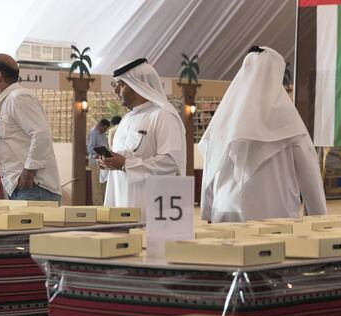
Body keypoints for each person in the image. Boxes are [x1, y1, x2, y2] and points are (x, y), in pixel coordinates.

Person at [198, 46, 326, 222]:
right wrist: (319, 216)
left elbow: (210, 166)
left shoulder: (226, 116)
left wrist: (207, 210)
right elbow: (309, 173)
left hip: (226, 211)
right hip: (275, 215)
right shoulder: (289, 119)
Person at [98, 58, 186, 212]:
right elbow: (125, 158)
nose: (116, 90)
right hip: (121, 203)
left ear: (137, 85)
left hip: (151, 209)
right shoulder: (126, 120)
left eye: (121, 84)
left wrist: (126, 164)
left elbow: (170, 162)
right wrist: (109, 162)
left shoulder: (163, 116)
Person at [0, 54, 62, 203]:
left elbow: (41, 134)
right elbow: (17, 145)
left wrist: (28, 173)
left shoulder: (18, 98)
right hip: (23, 188)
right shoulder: (8, 101)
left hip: (34, 188)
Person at [87, 118, 110, 205]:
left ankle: (104, 204)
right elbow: (90, 149)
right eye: (104, 129)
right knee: (97, 186)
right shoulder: (93, 133)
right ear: (99, 125)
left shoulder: (102, 134)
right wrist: (101, 152)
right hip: (96, 162)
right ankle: (98, 205)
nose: (105, 131)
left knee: (103, 185)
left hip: (103, 162)